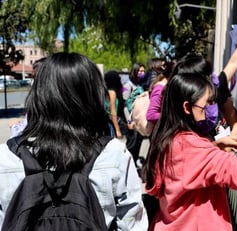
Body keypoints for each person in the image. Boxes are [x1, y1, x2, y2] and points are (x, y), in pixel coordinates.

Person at [0, 52, 148, 230]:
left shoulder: (6, 157)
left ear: (39, 94)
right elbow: (132, 225)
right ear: (92, 96)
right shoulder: (113, 154)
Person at [142, 72, 237, 230]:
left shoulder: (170, 138)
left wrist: (214, 145)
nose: (212, 109)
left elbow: (187, 168)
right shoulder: (193, 147)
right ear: (187, 108)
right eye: (207, 104)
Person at [123, 63, 146, 160]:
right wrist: (129, 120)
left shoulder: (140, 85)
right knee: (131, 144)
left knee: (138, 143)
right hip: (131, 119)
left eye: (143, 71)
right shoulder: (127, 86)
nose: (142, 73)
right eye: (140, 71)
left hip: (139, 118)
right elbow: (125, 105)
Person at [104, 70, 126, 138]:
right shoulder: (112, 92)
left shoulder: (111, 91)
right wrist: (117, 130)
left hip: (113, 121)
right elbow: (113, 111)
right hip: (112, 123)